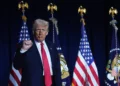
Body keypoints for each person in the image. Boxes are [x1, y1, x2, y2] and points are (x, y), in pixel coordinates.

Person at [13, 19, 62, 86]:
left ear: (47, 32)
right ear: (33, 31)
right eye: (38, 29)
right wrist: (23, 50)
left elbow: (57, 68)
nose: (40, 32)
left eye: (43, 30)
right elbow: (16, 65)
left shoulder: (52, 46)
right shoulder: (25, 45)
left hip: (51, 82)